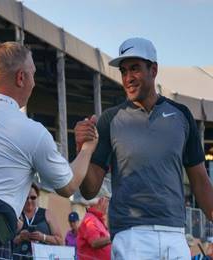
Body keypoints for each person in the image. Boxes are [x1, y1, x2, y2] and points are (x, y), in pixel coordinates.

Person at [76, 37, 213, 259]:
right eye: (123, 71)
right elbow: (89, 190)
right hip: (131, 237)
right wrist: (83, 149)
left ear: (154, 69)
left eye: (135, 68)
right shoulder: (109, 119)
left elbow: (200, 181)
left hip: (175, 235)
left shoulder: (182, 116)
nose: (128, 77)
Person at [0, 41, 98, 259]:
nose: (35, 83)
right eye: (33, 74)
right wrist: (87, 149)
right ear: (20, 78)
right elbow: (68, 185)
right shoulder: (31, 131)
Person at [12, 184, 63, 259]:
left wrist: (43, 237)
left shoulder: (47, 214)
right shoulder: (16, 214)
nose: (29, 201)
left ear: (37, 197)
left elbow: (60, 241)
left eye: (33, 197)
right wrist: (21, 237)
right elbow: (7, 242)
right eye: (26, 198)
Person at [77, 192, 111, 260]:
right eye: (108, 201)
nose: (109, 204)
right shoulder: (90, 219)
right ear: (101, 200)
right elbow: (94, 242)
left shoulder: (97, 219)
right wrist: (113, 236)